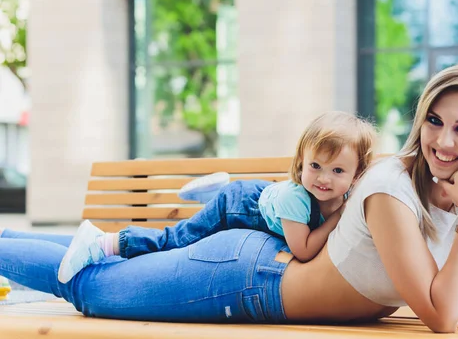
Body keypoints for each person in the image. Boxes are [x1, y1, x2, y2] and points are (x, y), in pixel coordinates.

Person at [0, 65, 458, 330]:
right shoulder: (393, 189)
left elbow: (456, 298)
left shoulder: (447, 191)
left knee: (98, 270)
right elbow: (439, 317)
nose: (442, 140)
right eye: (435, 120)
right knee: (91, 289)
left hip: (262, 269)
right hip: (245, 280)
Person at [57, 111, 377, 283]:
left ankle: (213, 192)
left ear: (357, 174)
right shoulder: (299, 199)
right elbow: (304, 250)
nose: (323, 178)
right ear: (301, 163)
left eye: (337, 171)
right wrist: (338, 216)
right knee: (176, 240)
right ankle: (103, 242)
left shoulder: (348, 192)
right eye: (315, 166)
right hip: (236, 207)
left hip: (257, 195)